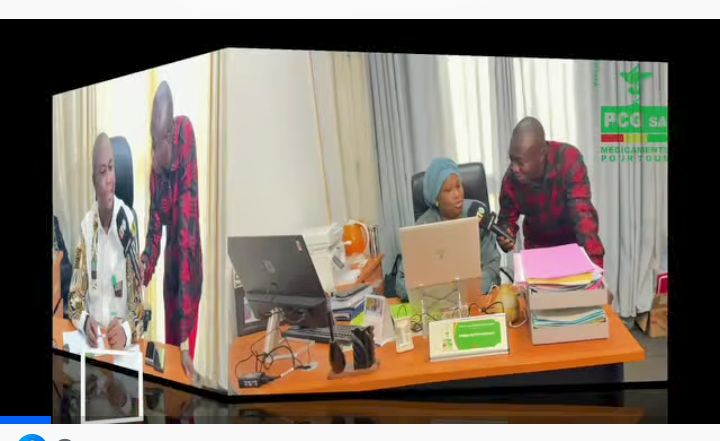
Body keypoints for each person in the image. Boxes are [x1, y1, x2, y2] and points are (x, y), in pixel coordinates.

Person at [139, 81, 203, 381]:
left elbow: (186, 237)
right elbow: (155, 229)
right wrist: (141, 270)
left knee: (184, 362)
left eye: (158, 141)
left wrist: (186, 344)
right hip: (171, 267)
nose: (154, 150)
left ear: (169, 135)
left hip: (190, 268)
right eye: (151, 140)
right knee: (170, 365)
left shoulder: (185, 133)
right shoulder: (156, 166)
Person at [497, 117, 605, 267]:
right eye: (512, 160)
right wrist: (505, 236)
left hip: (574, 245)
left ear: (541, 155)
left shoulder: (568, 161)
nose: (514, 168)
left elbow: (583, 218)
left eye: (520, 162)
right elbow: (505, 222)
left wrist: (595, 268)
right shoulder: (511, 179)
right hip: (538, 248)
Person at [68, 133, 144, 350]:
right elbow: (74, 298)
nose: (109, 179)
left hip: (120, 348)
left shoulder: (128, 223)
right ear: (94, 181)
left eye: (111, 168)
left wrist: (127, 332)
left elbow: (139, 309)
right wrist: (85, 322)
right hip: (93, 345)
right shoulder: (86, 227)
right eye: (102, 172)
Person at [396, 158, 502, 299]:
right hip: (436, 303)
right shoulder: (423, 226)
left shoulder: (477, 214)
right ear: (436, 198)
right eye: (448, 190)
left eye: (458, 186)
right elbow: (401, 282)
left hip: (476, 298)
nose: (457, 195)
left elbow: (493, 267)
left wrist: (468, 288)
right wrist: (437, 293)